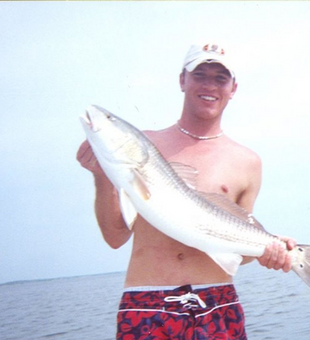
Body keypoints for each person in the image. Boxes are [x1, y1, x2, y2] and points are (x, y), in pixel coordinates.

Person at [77, 43, 296, 340]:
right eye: (200, 74)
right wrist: (101, 177)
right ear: (182, 80)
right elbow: (115, 237)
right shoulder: (147, 146)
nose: (209, 85)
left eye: (220, 78)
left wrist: (268, 253)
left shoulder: (248, 161)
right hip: (146, 305)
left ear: (233, 88)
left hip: (218, 306)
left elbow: (238, 255)